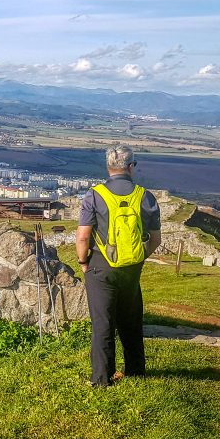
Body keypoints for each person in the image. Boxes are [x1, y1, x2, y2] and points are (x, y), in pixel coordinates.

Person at [75, 145, 161, 387]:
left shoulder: (95, 195)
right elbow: (156, 239)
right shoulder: (145, 196)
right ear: (131, 166)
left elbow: (83, 236)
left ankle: (102, 378)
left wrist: (84, 262)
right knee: (131, 321)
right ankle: (135, 370)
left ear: (108, 166)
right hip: (132, 268)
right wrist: (138, 257)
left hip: (101, 266)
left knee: (103, 323)